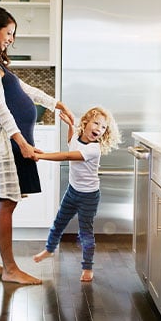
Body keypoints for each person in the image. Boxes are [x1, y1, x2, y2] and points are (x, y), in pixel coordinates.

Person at [0, 7, 74, 285]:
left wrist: (57, 104)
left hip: (8, 143)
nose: (12, 38)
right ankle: (10, 268)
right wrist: (22, 143)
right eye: (9, 32)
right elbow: (0, 108)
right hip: (3, 145)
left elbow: (24, 90)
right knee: (6, 203)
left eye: (14, 34)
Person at [33, 106, 121, 282]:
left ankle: (87, 267)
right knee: (58, 223)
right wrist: (70, 126)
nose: (98, 129)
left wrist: (41, 156)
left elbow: (66, 156)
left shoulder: (93, 149)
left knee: (85, 233)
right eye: (96, 123)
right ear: (86, 122)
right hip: (72, 191)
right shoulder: (77, 138)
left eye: (103, 127)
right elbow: (71, 142)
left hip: (89, 196)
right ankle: (49, 249)